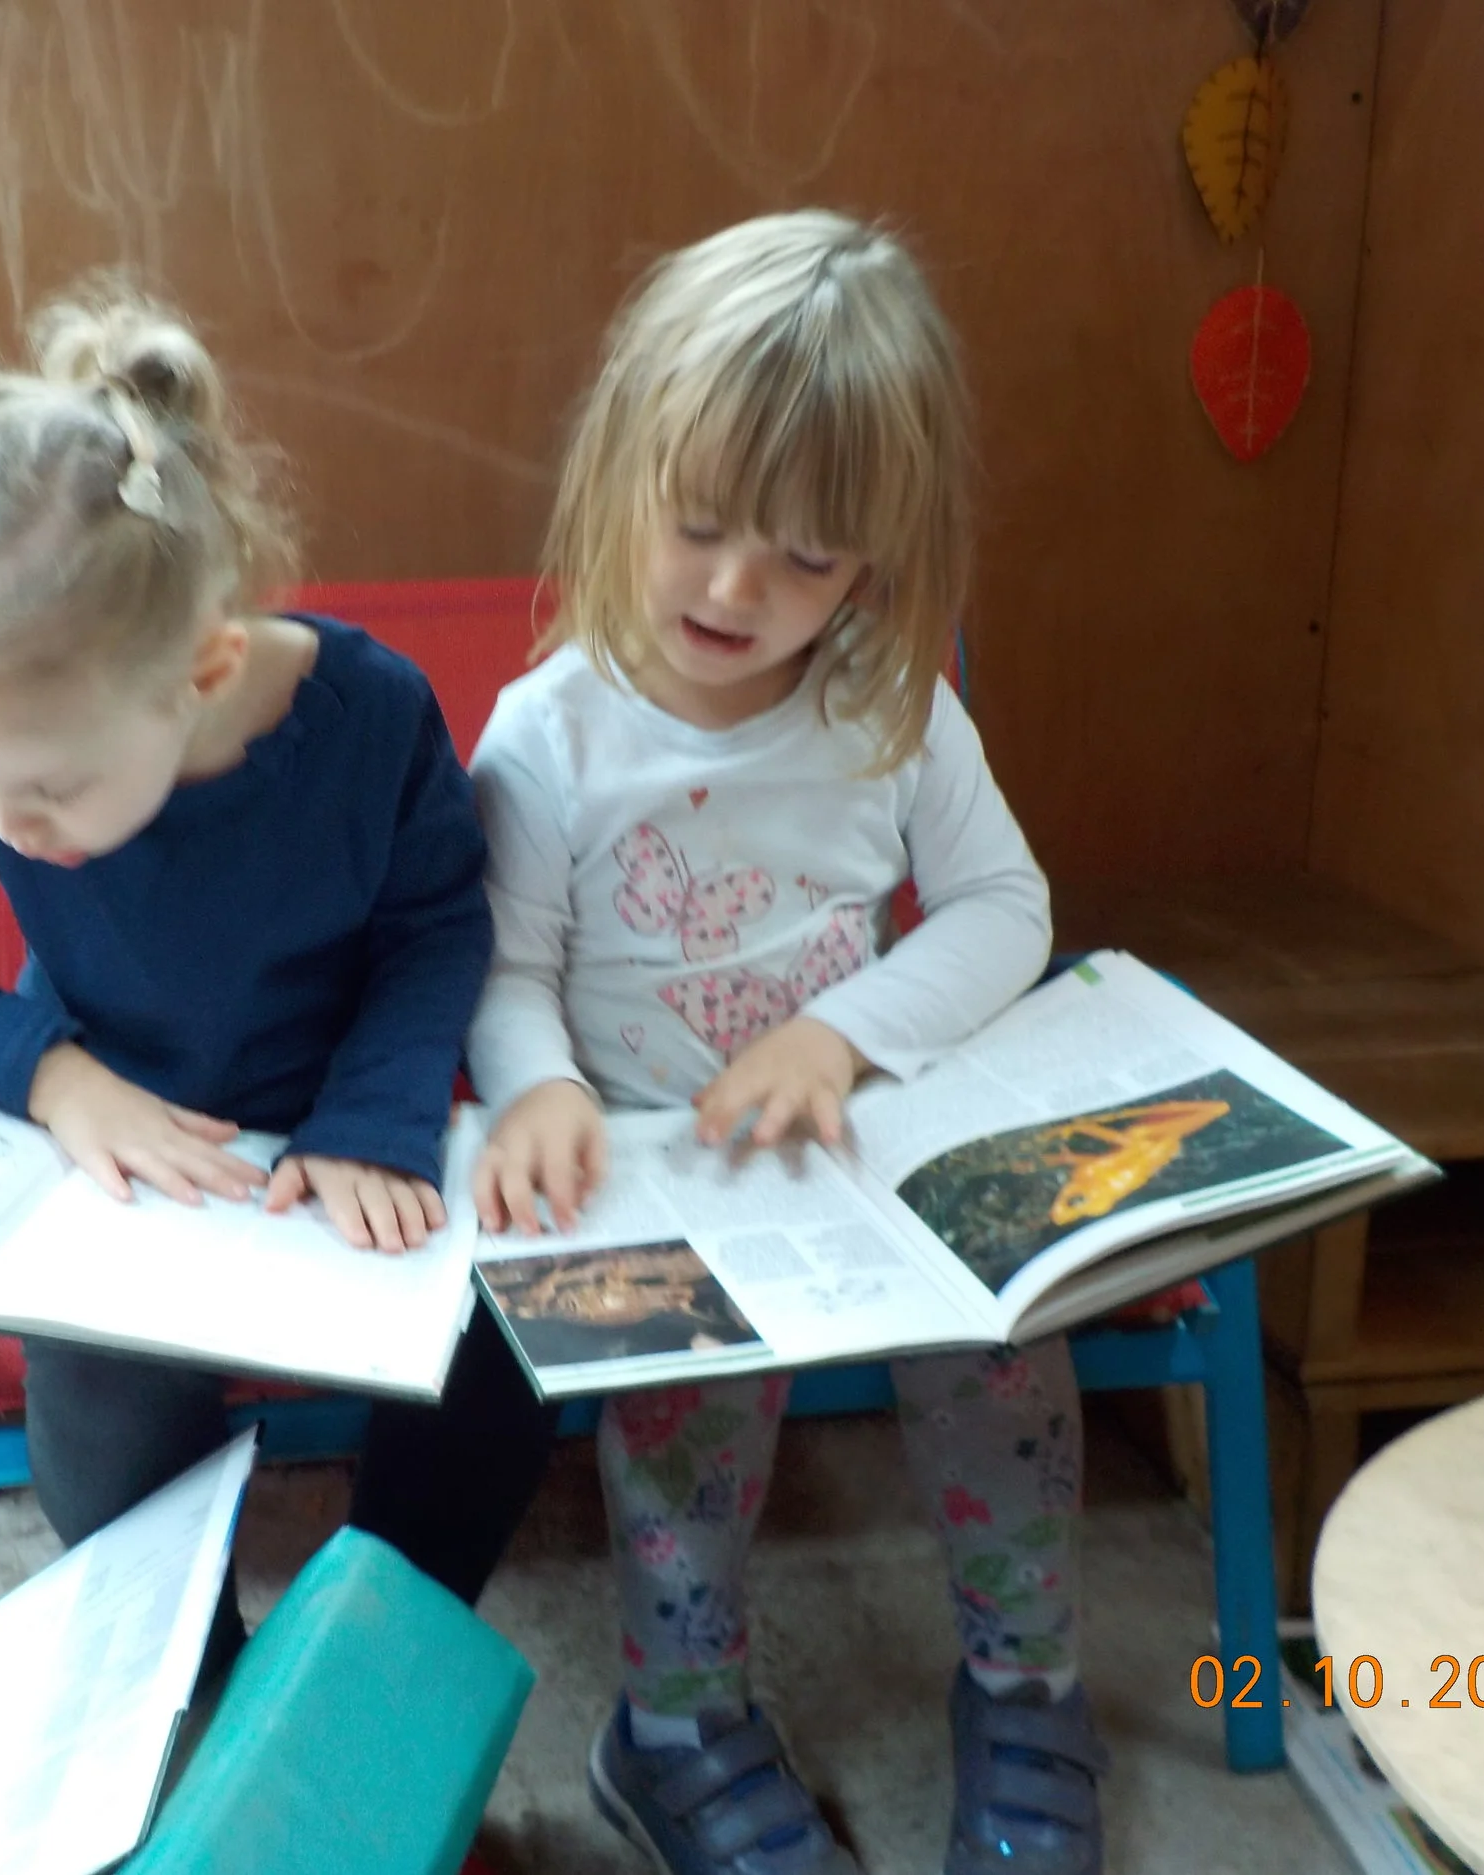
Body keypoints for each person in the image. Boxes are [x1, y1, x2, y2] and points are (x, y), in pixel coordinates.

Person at [468, 211, 1107, 1875]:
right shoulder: (555, 733)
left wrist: (837, 1034)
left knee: (1011, 1342)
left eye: (809, 558)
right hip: (672, 1188)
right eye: (697, 526)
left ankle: (1026, 1682)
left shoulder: (891, 701)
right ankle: (673, 1722)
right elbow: (504, 969)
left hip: (860, 1151)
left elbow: (1001, 908)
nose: (739, 590)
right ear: (623, 472)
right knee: (693, 1404)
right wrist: (537, 1079)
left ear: (880, 562)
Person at [0, 280, 558, 1668]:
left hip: (331, 1147)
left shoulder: (372, 712)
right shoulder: (3, 732)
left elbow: (437, 922)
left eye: (38, 794)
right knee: (99, 1408)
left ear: (202, 669)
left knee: (498, 1376)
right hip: (133, 1174)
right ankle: (195, 1688)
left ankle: (361, 1668)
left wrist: (369, 1119)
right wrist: (58, 1079)